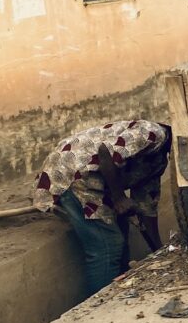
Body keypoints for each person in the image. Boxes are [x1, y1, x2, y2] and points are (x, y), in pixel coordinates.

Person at [32, 120, 172, 295]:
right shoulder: (153, 133)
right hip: (72, 172)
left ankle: (119, 293)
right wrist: (119, 197)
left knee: (121, 236)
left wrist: (159, 251)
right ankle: (100, 304)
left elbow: (146, 206)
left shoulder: (158, 159)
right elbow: (106, 153)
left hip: (97, 182)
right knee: (108, 245)